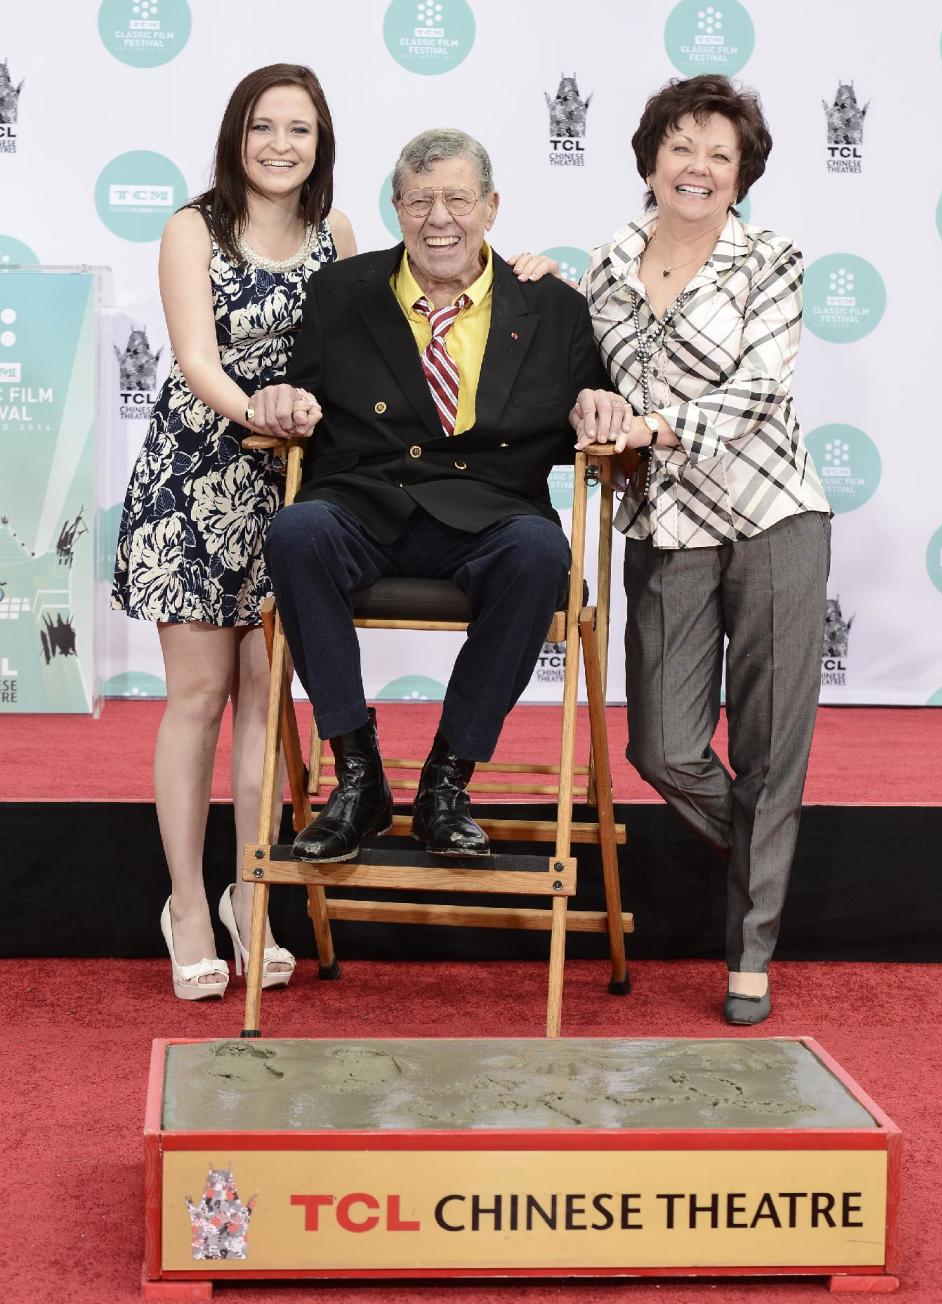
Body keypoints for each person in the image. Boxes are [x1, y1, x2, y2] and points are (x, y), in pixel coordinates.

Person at [111, 81, 556, 999]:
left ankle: (252, 896)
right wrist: (265, 416)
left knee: (266, 705)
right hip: (208, 469)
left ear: (323, 142)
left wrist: (520, 270)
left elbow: (419, 295)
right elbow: (197, 357)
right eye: (264, 126)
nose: (280, 143)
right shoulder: (192, 229)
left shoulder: (340, 234)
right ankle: (187, 905)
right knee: (197, 698)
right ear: (236, 135)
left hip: (307, 470)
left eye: (300, 129)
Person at [249, 127, 607, 863]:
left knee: (541, 552)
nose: (438, 218)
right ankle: (357, 773)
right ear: (395, 208)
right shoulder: (340, 293)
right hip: (366, 502)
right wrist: (287, 402)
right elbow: (304, 396)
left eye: (457, 199)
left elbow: (597, 402)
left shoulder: (554, 309)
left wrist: (601, 410)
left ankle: (448, 779)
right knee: (295, 531)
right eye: (419, 201)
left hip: (488, 513)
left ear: (492, 206)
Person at [573, 75, 831, 1025]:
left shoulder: (773, 259)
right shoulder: (600, 268)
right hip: (668, 528)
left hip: (774, 517)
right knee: (665, 747)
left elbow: (762, 390)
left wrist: (648, 425)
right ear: (650, 159)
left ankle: (751, 952)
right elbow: (583, 376)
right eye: (682, 146)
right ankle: (771, 855)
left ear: (741, 176)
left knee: (770, 747)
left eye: (721, 154)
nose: (699, 166)